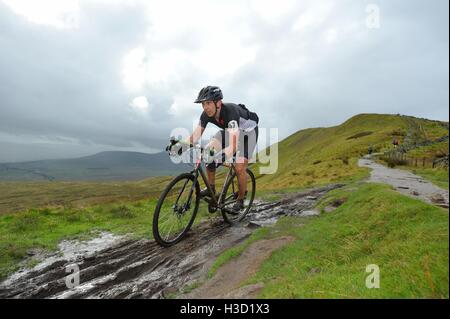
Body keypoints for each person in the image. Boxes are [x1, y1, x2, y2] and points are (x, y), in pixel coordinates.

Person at [183, 86, 259, 211]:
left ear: (218, 103)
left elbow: (233, 146)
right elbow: (195, 136)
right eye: (203, 104)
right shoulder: (206, 114)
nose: (205, 107)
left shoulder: (231, 112)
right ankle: (211, 189)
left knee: (239, 167)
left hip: (249, 134)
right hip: (231, 131)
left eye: (208, 103)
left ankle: (241, 199)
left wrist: (220, 157)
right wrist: (180, 146)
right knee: (208, 153)